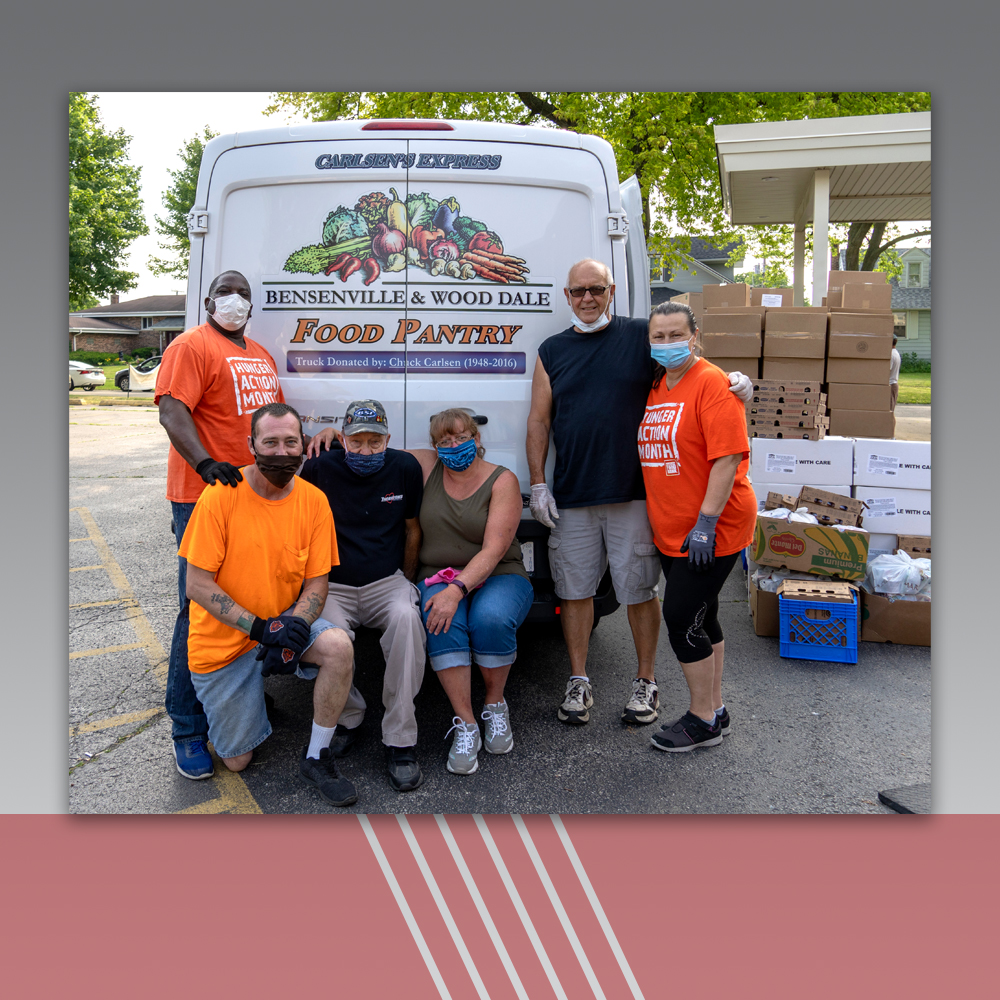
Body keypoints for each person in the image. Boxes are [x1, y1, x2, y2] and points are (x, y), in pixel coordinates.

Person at [525, 259, 753, 728]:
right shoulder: (552, 350)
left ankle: (646, 681)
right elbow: (539, 420)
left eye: (597, 289)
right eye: (578, 291)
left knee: (638, 591)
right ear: (566, 296)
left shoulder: (638, 335)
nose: (587, 298)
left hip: (632, 494)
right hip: (572, 494)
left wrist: (735, 382)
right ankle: (578, 679)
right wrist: (538, 483)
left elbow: (688, 366)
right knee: (574, 591)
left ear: (611, 291)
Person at [180, 403, 358, 805]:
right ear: (251, 445)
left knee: (338, 647)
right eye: (270, 442)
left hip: (280, 624)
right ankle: (252, 700)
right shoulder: (220, 497)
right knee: (238, 761)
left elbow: (316, 583)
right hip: (224, 644)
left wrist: (294, 628)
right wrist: (263, 630)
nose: (281, 452)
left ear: (303, 445)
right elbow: (196, 585)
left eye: (290, 442)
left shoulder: (314, 501)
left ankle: (318, 754)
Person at [155, 270, 284, 780]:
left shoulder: (258, 353)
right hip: (202, 498)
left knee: (251, 600)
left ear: (253, 305)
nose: (235, 300)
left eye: (243, 293)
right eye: (226, 291)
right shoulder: (192, 346)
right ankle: (187, 727)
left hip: (254, 495)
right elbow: (172, 411)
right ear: (208, 300)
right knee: (197, 609)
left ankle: (234, 705)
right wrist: (206, 464)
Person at [638, 303, 757, 751]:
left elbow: (727, 457)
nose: (666, 343)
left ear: (694, 335)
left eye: (675, 334)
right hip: (672, 527)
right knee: (705, 615)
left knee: (681, 616)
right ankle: (717, 708)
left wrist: (706, 521)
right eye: (659, 336)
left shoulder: (712, 383)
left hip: (712, 527)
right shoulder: (657, 384)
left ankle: (701, 719)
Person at [299, 400, 427, 793]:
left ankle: (400, 739)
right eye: (357, 442)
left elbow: (413, 530)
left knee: (407, 620)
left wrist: (404, 579)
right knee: (327, 641)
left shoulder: (404, 467)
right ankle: (349, 714)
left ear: (388, 439)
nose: (366, 450)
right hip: (332, 584)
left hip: (384, 581)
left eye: (375, 442)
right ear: (342, 440)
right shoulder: (321, 467)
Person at [410, 409, 533, 775]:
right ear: (435, 447)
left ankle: (495, 706)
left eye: (462, 438)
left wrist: (457, 589)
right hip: (436, 574)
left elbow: (495, 550)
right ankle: (466, 722)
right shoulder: (426, 466)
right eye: (444, 442)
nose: (454, 446)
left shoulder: (502, 479)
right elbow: (371, 449)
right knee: (440, 621)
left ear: (477, 440)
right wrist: (331, 437)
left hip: (498, 572)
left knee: (490, 618)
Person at [889, 337, 901, 411]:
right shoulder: (896, 353)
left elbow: (887, 370)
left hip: (890, 385)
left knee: (889, 412)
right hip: (894, 384)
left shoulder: (891, 355)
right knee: (890, 411)